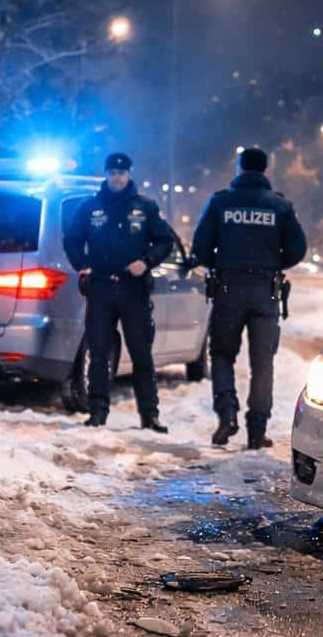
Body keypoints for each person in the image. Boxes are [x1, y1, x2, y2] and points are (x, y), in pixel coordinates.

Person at [192, 147, 307, 449]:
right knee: (263, 364)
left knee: (221, 355)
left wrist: (221, 260)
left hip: (228, 289)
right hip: (265, 291)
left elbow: (200, 247)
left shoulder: (221, 202)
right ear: (265, 169)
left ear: (239, 167)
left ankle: (226, 415)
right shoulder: (279, 206)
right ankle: (256, 431)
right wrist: (273, 261)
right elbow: (297, 249)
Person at [62, 152, 176, 432]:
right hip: (100, 287)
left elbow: (165, 240)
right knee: (99, 352)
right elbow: (72, 239)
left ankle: (150, 415)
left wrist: (146, 262)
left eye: (121, 173)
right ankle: (97, 411)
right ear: (106, 174)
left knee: (141, 354)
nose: (117, 177)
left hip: (133, 289)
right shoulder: (91, 207)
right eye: (112, 172)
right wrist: (82, 265)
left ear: (129, 174)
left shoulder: (144, 207)